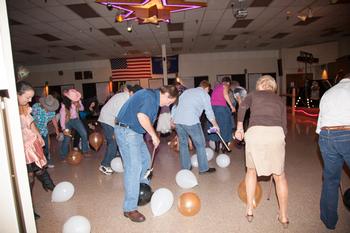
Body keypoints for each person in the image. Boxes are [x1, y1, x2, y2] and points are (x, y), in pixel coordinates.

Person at [115, 85, 178, 222]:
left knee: (145, 161)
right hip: (127, 132)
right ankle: (129, 208)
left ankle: (142, 191)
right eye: (170, 102)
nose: (168, 105)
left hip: (135, 132)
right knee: (134, 167)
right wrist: (154, 136)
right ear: (166, 95)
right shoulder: (150, 97)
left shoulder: (153, 97)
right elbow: (142, 116)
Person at [234, 75, 289, 228]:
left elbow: (243, 107)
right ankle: (283, 216)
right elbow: (284, 126)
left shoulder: (253, 94)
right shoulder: (279, 100)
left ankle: (250, 209)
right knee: (280, 176)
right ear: (273, 87)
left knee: (251, 172)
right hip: (276, 133)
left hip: (255, 133)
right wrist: (278, 139)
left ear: (260, 85)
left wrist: (239, 128)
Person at [316, 72, 350, 230]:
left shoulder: (328, 93)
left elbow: (319, 125)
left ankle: (329, 221)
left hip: (326, 135)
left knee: (331, 180)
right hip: (348, 133)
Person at [17, 81, 55, 219]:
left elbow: (31, 123)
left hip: (31, 144)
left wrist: (38, 134)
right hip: (21, 148)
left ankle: (49, 185)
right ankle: (28, 209)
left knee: (36, 170)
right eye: (27, 97)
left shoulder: (25, 107)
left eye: (31, 98)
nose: (30, 100)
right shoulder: (9, 110)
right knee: (30, 176)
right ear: (17, 94)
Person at [171, 80, 219, 173]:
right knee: (200, 144)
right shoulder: (204, 94)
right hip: (191, 120)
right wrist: (215, 125)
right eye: (208, 90)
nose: (208, 92)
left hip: (178, 121)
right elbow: (209, 111)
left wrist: (172, 118)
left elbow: (175, 105)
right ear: (206, 88)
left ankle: (186, 168)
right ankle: (204, 169)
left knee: (183, 144)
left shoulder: (187, 92)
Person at [97, 84, 142, 175]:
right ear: (131, 92)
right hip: (108, 119)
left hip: (110, 119)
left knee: (116, 142)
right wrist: (118, 130)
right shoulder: (124, 99)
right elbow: (119, 116)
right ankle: (104, 165)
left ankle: (117, 159)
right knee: (113, 142)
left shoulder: (127, 97)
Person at [59, 89, 90, 160]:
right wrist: (63, 128)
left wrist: (79, 105)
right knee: (67, 138)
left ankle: (85, 150)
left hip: (75, 120)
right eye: (74, 99)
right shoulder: (64, 105)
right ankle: (63, 155)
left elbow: (82, 109)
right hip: (67, 121)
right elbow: (62, 118)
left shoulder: (78, 101)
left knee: (84, 134)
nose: (76, 100)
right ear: (69, 99)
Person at [32, 95, 60, 168]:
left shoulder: (52, 111)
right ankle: (37, 164)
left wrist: (57, 130)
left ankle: (47, 161)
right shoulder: (36, 107)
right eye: (48, 108)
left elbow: (53, 119)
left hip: (44, 131)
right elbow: (31, 120)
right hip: (34, 131)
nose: (49, 109)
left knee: (47, 147)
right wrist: (37, 132)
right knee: (37, 148)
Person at [209, 77, 235, 153]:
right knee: (226, 127)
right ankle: (224, 148)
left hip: (213, 109)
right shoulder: (225, 85)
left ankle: (217, 148)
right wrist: (231, 106)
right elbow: (225, 95)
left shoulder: (216, 87)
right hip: (221, 109)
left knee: (216, 127)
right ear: (228, 83)